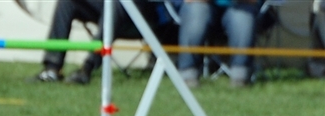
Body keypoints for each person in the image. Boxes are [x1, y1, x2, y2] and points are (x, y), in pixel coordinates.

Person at [31, 0, 178, 84]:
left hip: (144, 17)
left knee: (118, 4)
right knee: (68, 1)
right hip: (110, 11)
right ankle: (52, 68)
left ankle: (87, 68)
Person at [177, 0, 259, 87]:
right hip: (199, 5)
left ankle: (240, 77)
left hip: (240, 5)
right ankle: (188, 76)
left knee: (242, 17)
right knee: (197, 11)